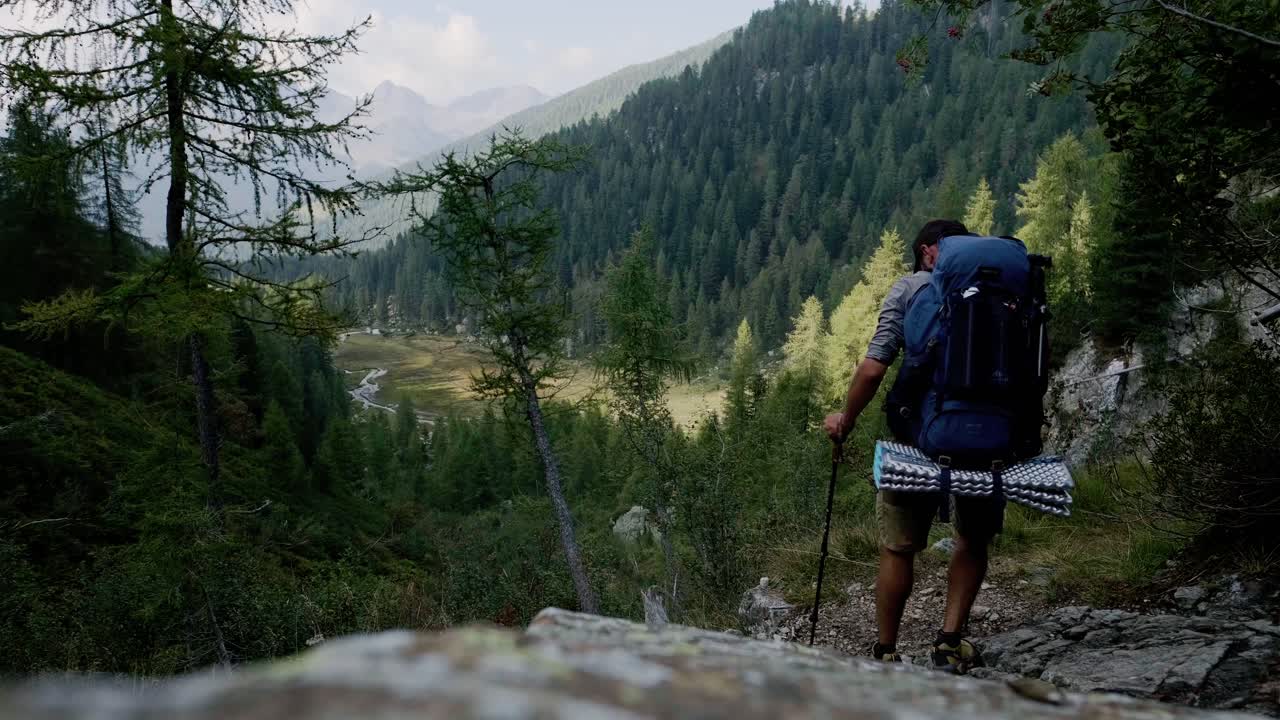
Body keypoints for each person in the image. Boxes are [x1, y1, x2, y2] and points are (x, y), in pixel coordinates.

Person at [822, 219, 1002, 674]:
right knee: (972, 538)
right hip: (992, 435)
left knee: (899, 546)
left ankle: (886, 652)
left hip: (920, 435)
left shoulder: (910, 288)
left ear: (926, 251)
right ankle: (949, 640)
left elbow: (873, 369)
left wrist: (846, 418)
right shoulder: (1003, 284)